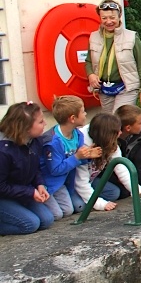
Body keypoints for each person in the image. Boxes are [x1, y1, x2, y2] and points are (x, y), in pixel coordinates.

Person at [85, 0, 141, 113]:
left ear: (119, 16)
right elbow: (88, 61)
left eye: (112, 18)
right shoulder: (93, 37)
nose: (108, 21)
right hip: (104, 88)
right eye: (104, 18)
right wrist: (91, 74)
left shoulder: (132, 37)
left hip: (126, 87)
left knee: (119, 118)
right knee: (110, 122)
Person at [0, 102, 56, 234]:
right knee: (29, 224)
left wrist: (40, 184)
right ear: (25, 127)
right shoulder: (3, 150)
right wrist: (29, 192)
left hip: (19, 191)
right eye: (41, 122)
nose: (45, 124)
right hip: (3, 195)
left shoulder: (34, 140)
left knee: (47, 220)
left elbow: (34, 167)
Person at [40, 95, 95, 218]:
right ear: (72, 118)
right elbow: (54, 170)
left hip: (63, 183)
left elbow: (78, 160)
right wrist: (77, 157)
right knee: (57, 214)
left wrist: (89, 156)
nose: (86, 114)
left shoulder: (78, 135)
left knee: (69, 210)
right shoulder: (53, 142)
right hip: (48, 184)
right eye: (83, 111)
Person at [73, 113, 128, 212]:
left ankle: (89, 199)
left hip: (91, 180)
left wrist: (138, 191)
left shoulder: (110, 143)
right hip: (74, 184)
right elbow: (80, 182)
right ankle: (82, 199)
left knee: (114, 193)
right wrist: (101, 204)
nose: (120, 133)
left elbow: (121, 168)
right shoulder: (83, 147)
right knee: (79, 206)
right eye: (116, 131)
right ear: (106, 134)